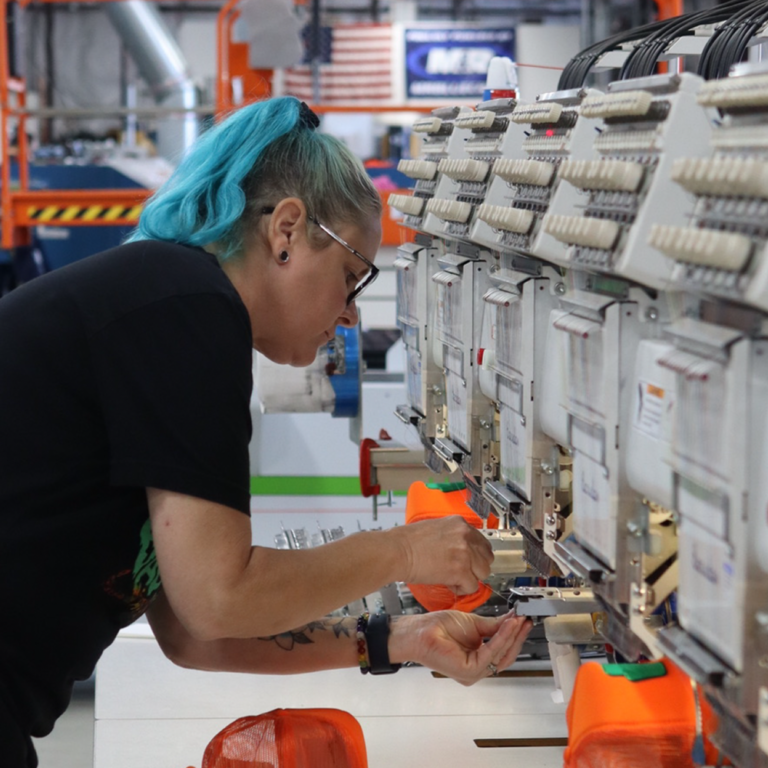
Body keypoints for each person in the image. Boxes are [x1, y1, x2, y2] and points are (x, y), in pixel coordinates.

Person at [0, 96, 532, 767]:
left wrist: (402, 636)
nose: (347, 315)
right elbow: (222, 598)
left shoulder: (169, 305)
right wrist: (404, 550)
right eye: (350, 277)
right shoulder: (187, 305)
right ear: (285, 230)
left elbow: (195, 632)